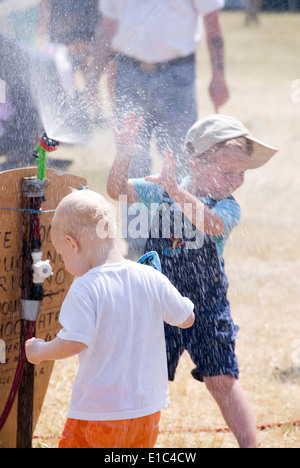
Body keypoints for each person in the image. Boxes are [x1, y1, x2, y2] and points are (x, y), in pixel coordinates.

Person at [106, 112, 278, 448]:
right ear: (196, 164)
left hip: (207, 304)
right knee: (144, 379)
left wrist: (174, 190)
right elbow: (117, 190)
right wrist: (124, 152)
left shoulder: (227, 206)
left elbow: (211, 224)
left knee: (221, 379)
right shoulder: (162, 190)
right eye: (228, 172)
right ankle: (130, 447)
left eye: (241, 172)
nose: (237, 180)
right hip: (157, 304)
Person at [25, 189, 195, 448]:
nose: (63, 260)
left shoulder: (85, 287)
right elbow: (186, 318)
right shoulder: (151, 276)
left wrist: (40, 350)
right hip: (147, 411)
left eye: (62, 255)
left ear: (72, 243)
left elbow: (74, 342)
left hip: (100, 413)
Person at [87, 0, 229, 179]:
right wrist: (93, 75)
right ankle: (135, 207)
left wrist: (218, 76)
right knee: (130, 158)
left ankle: (181, 206)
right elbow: (108, 24)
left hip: (176, 75)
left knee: (182, 157)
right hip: (128, 74)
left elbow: (212, 19)